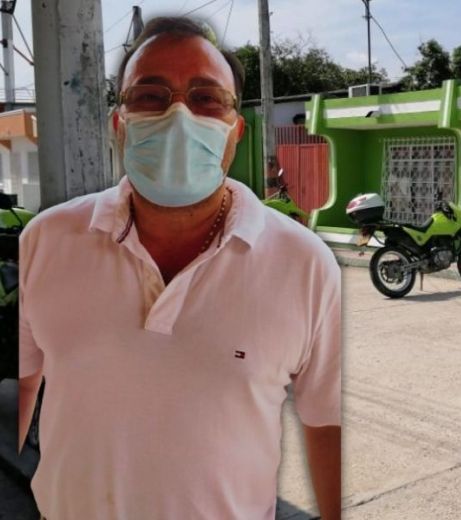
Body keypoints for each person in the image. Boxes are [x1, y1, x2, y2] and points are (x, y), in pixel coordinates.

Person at [18, 17, 341, 520]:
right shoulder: (46, 239)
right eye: (150, 95)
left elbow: (323, 420)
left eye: (206, 98)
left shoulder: (304, 263)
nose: (178, 116)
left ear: (236, 131)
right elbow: (29, 380)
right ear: (117, 123)